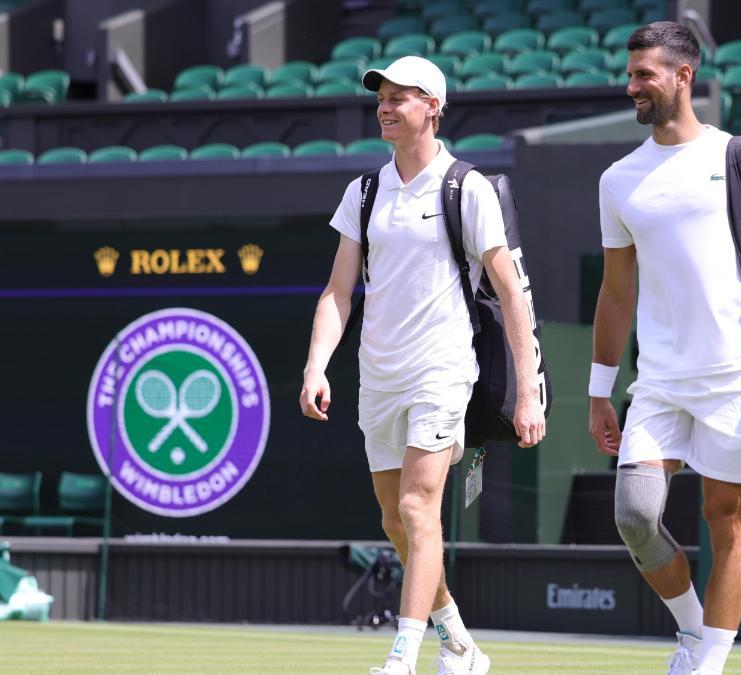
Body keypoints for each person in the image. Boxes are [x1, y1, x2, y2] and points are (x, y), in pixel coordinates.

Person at [299, 56, 546, 675]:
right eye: (380, 97)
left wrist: (529, 393)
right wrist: (316, 366)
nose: (384, 106)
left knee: (418, 507)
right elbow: (338, 292)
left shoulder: (469, 188)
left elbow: (510, 293)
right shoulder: (364, 191)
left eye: (399, 97)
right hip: (377, 376)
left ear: (433, 107)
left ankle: (402, 655)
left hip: (442, 368)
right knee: (395, 520)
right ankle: (459, 641)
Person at [588, 22, 741, 675]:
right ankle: (693, 632)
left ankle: (709, 662)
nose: (632, 86)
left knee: (726, 517)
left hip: (736, 372)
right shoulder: (617, 179)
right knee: (635, 515)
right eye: (630, 74)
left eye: (644, 75)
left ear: (683, 76)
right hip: (657, 381)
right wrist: (599, 390)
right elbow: (615, 291)